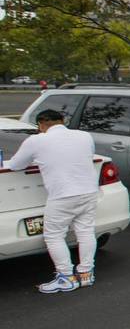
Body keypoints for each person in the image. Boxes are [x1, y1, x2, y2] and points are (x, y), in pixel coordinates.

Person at [3, 109, 100, 293]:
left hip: (63, 195)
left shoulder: (36, 140)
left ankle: (66, 277)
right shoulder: (84, 136)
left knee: (54, 235)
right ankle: (86, 274)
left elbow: (16, 165)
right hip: (89, 191)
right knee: (86, 231)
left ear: (41, 125)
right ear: (62, 121)